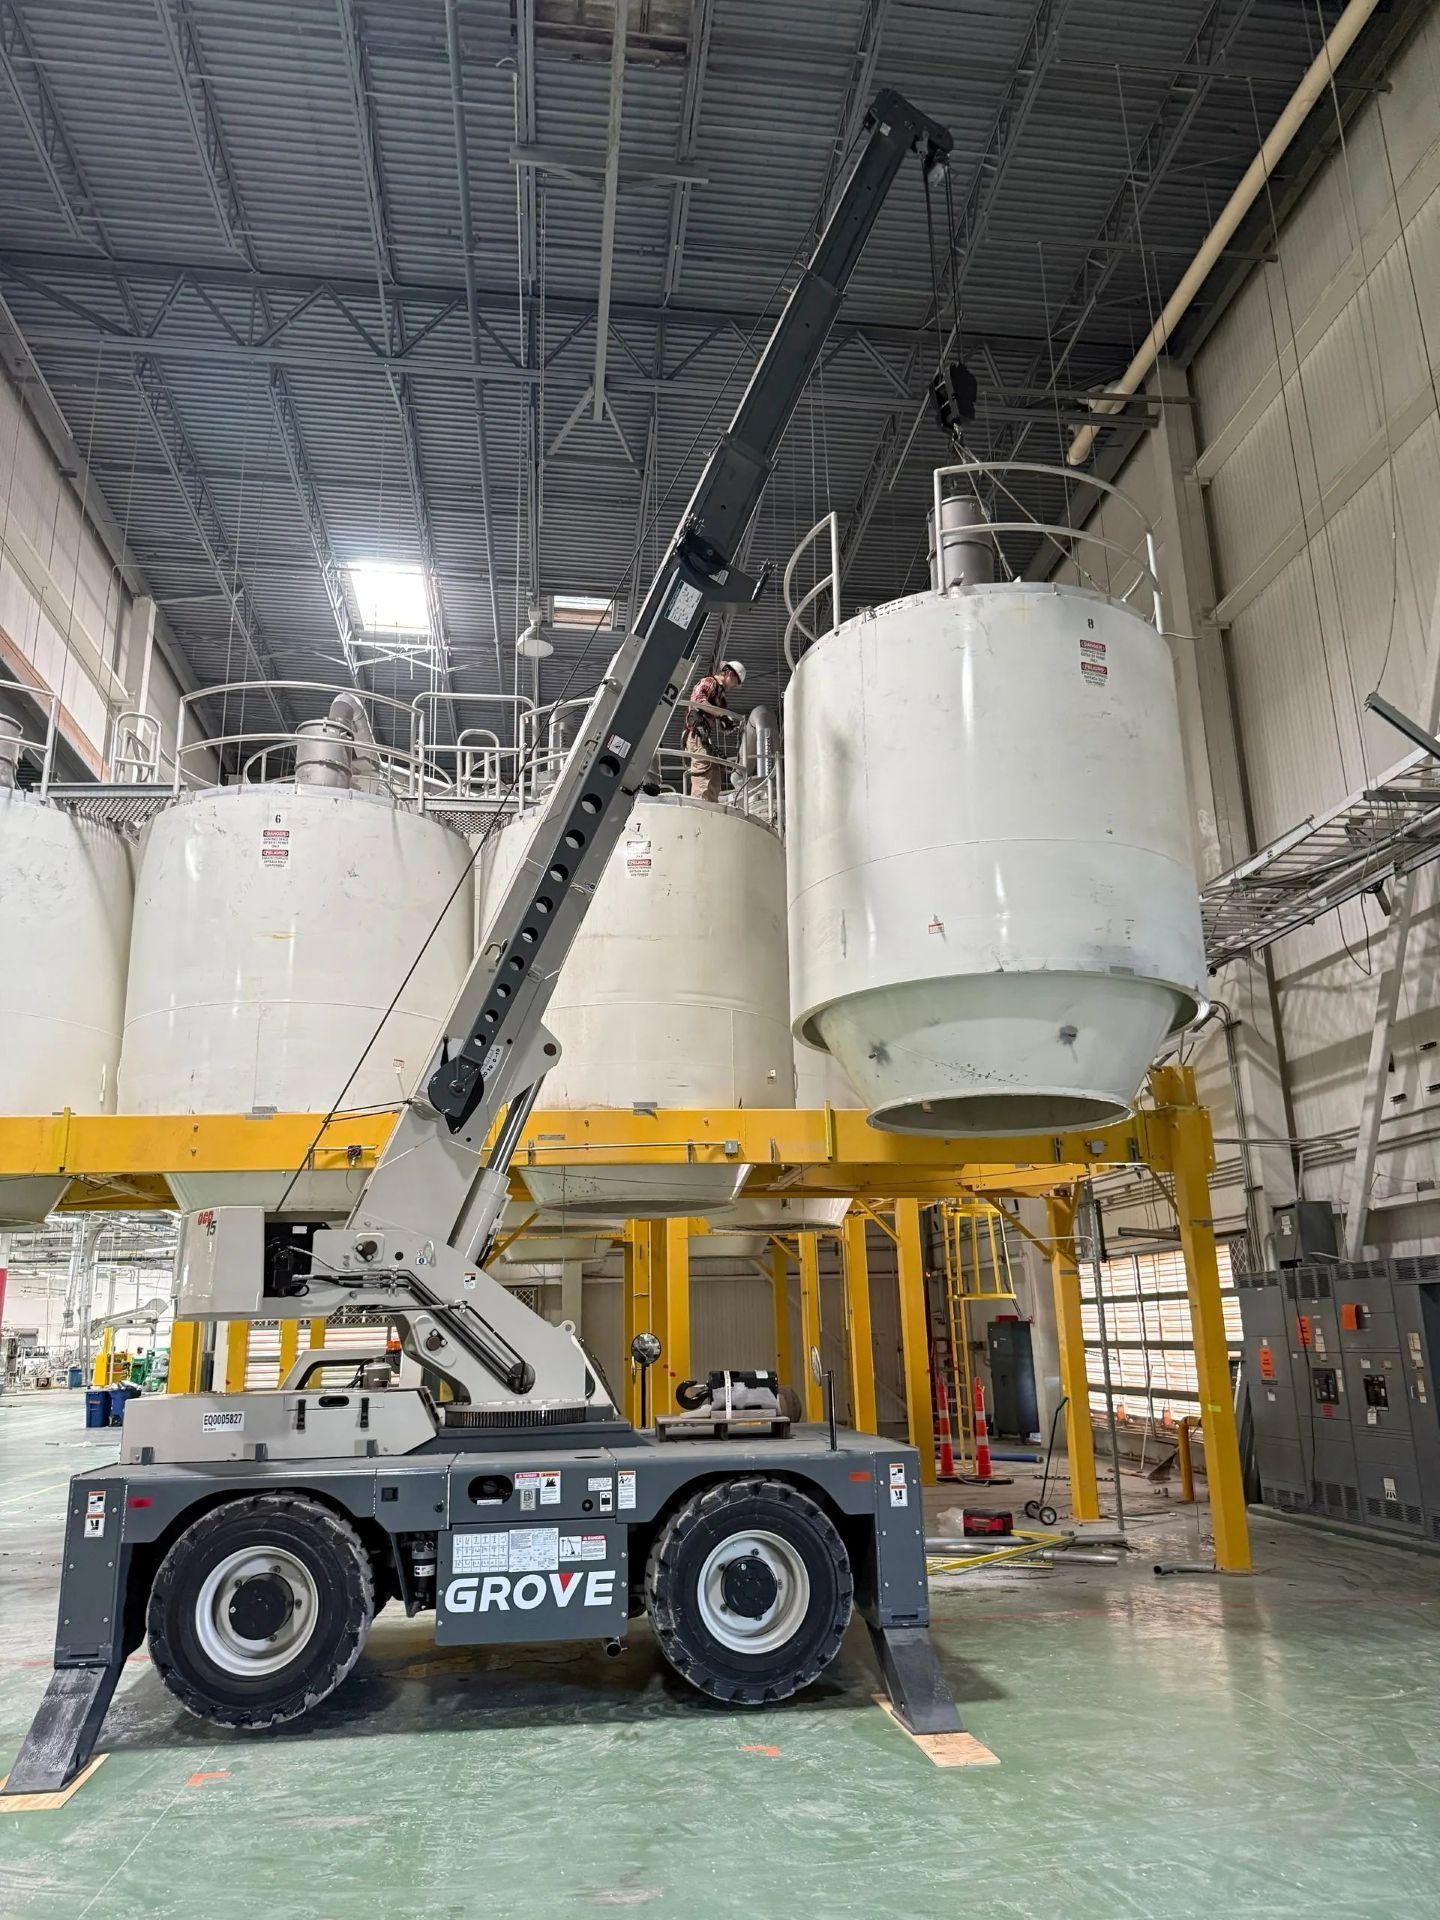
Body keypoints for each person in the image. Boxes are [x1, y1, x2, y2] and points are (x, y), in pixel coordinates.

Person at [683, 659, 745, 802]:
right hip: (695, 733)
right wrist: (721, 714)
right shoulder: (709, 682)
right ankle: (700, 806)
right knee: (703, 771)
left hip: (704, 737)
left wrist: (727, 725)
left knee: (715, 774)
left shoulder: (721, 697)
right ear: (729, 673)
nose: (735, 686)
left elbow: (719, 721)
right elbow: (698, 700)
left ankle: (711, 806)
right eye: (736, 681)